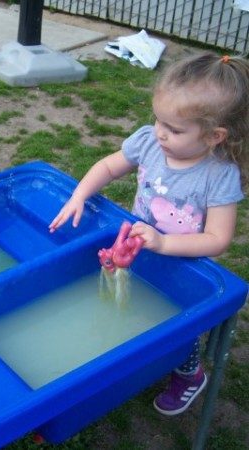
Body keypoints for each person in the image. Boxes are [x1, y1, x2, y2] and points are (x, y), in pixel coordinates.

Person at [49, 52, 248, 415]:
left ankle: (189, 373)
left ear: (214, 136)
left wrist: (165, 243)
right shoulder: (149, 143)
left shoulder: (219, 175)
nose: (160, 132)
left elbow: (219, 238)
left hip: (185, 260)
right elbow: (110, 165)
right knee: (129, 303)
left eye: (174, 129)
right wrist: (79, 194)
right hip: (140, 245)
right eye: (158, 120)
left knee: (177, 322)